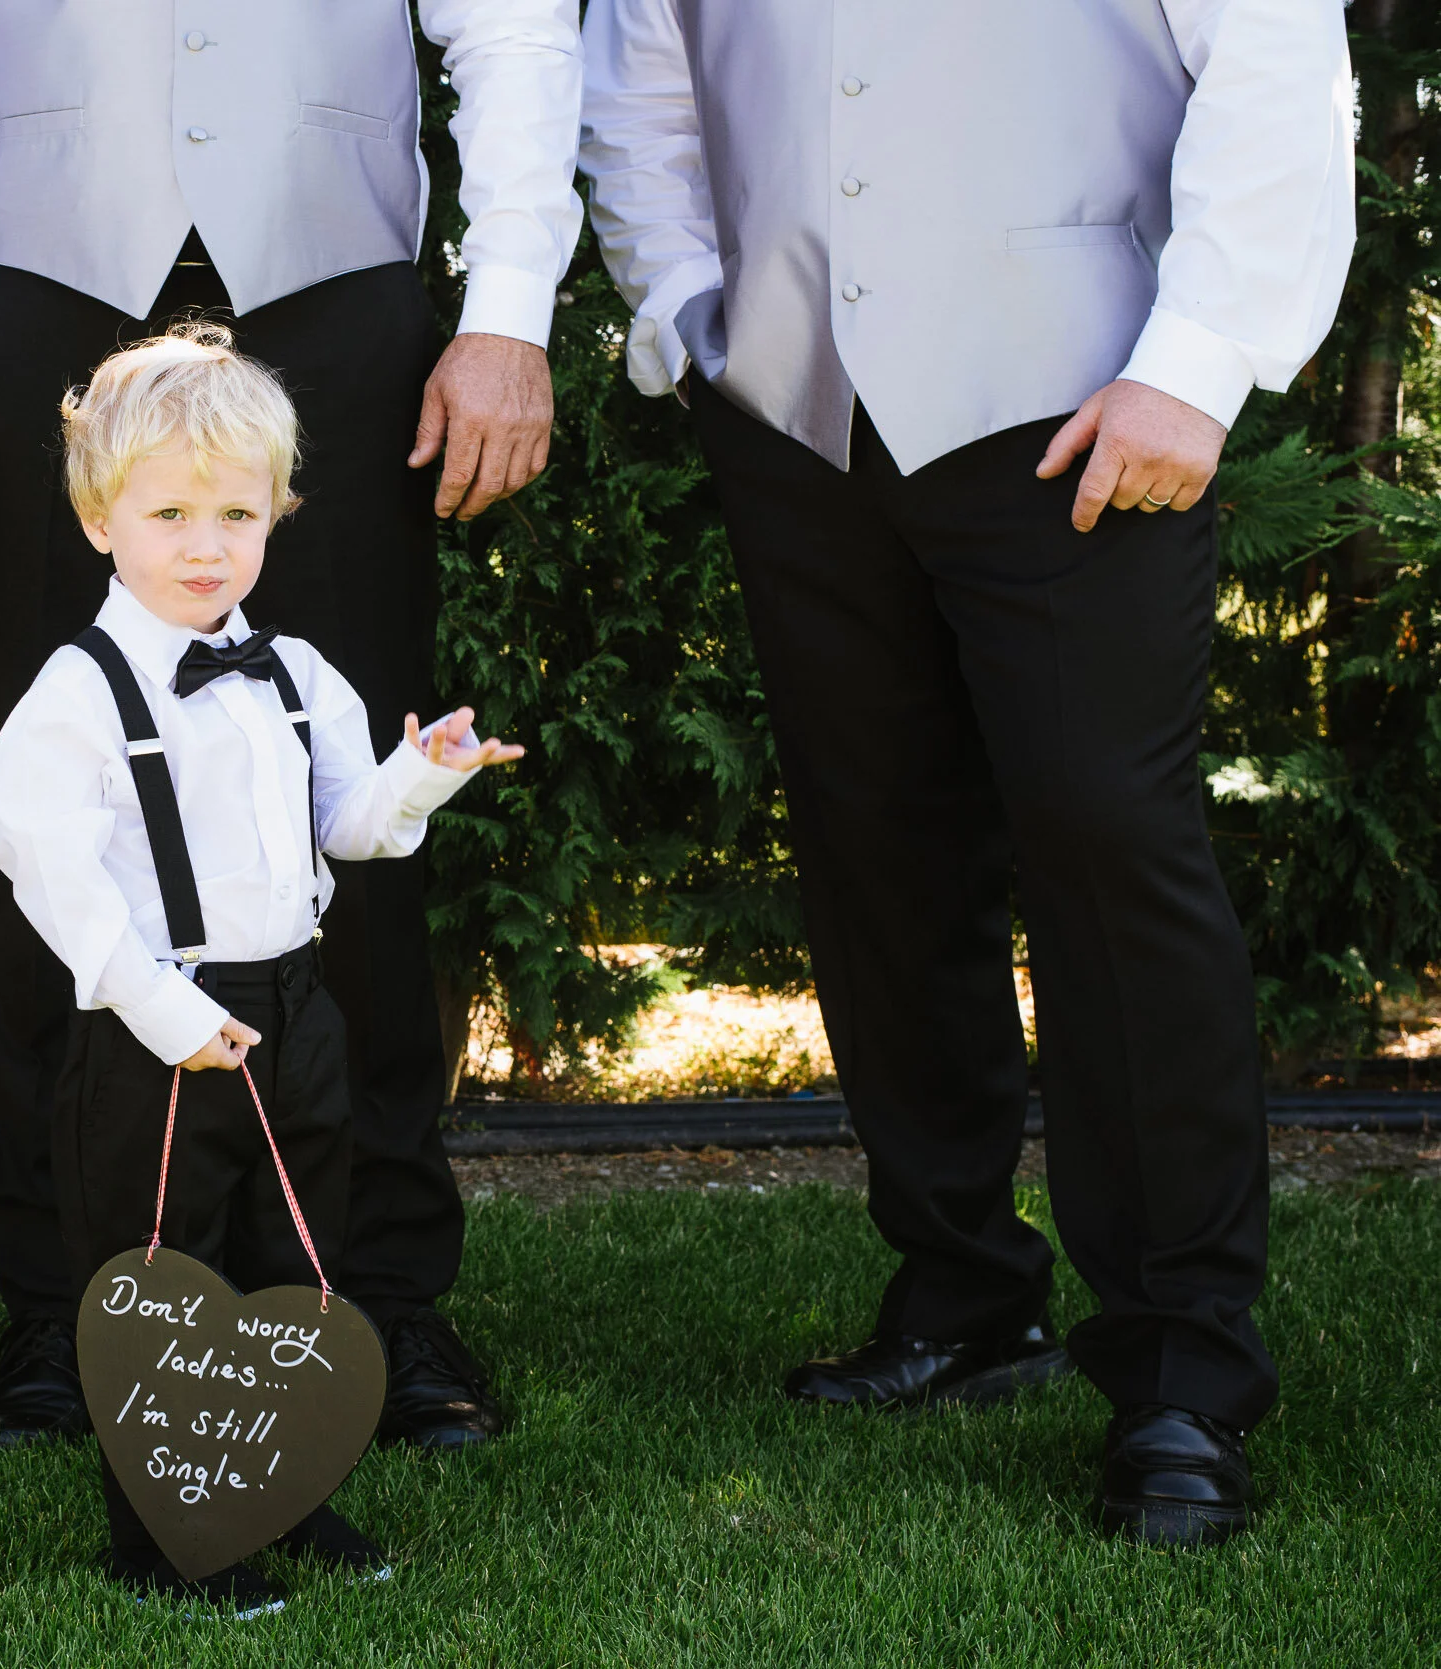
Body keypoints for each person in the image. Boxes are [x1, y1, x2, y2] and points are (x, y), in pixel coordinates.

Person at [578, 0, 1354, 1545]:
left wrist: (1196, 367)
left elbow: (1274, 61)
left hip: (1085, 403)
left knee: (1110, 853)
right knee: (878, 856)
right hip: (796, 412)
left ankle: (1181, 1376)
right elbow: (643, 85)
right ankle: (962, 1295)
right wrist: (683, 312)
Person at [0, 0, 583, 1450]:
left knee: (354, 826)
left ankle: (375, 1287)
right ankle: (63, 1294)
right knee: (67, 821)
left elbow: (517, 27)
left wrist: (509, 310)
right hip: (53, 290)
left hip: (336, 300)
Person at [0, 325, 522, 1611]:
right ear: (100, 520)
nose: (206, 544)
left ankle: (292, 1493)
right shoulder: (78, 689)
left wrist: (424, 770)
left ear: (277, 514)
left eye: (237, 511)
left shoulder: (294, 673)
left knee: (295, 1268)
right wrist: (165, 1010)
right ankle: (158, 1538)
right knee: (159, 1282)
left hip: (295, 1010)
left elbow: (354, 828)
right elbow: (39, 860)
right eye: (168, 512)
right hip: (156, 1026)